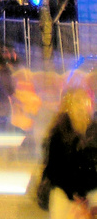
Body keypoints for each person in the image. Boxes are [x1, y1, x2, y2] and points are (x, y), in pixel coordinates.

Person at [40, 88, 97, 219]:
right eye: (77, 101)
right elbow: (53, 170)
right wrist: (74, 195)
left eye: (85, 101)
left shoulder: (94, 130)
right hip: (65, 192)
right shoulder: (59, 132)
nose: (82, 106)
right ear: (69, 106)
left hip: (90, 190)